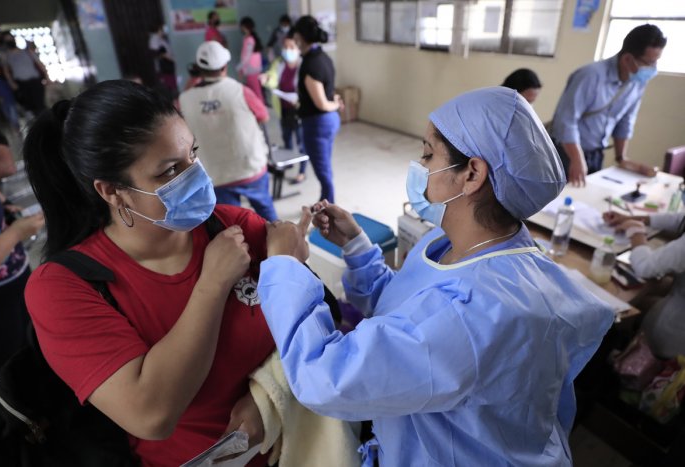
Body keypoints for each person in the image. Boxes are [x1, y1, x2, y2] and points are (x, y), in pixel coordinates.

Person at [256, 87, 615, 466]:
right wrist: (357, 247)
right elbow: (408, 316)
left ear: (472, 174)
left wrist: (285, 266)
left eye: (428, 154)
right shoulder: (473, 246)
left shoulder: (474, 314)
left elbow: (325, 376)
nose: (420, 165)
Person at [22, 80, 275, 466]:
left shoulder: (233, 227)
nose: (196, 177)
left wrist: (271, 397)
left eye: (193, 154)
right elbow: (152, 414)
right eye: (170, 170)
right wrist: (212, 285)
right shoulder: (63, 288)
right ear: (112, 191)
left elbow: (323, 325)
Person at [551, 24, 667, 187]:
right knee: (558, 204)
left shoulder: (637, 82)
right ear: (627, 58)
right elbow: (566, 121)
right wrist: (577, 159)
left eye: (656, 62)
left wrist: (622, 158)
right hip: (565, 152)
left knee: (587, 201)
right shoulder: (590, 76)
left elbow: (625, 121)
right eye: (649, 63)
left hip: (596, 154)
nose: (653, 69)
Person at [179, 42, 277, 222]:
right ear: (225, 66)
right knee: (266, 211)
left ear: (198, 69)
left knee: (232, 222)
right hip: (249, 167)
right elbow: (263, 116)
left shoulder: (184, 99)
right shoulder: (240, 91)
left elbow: (179, 124)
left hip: (214, 173)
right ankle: (279, 244)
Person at [0, 115, 45, 389]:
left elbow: (2, 166)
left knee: (34, 356)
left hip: (17, 286)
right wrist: (16, 232)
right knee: (11, 379)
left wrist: (6, 209)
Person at [603, 207, 685, 359]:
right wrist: (638, 218)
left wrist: (636, 231)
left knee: (625, 306)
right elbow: (681, 219)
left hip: (674, 336)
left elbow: (645, 267)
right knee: (648, 292)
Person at [292, 15, 341, 203]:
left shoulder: (311, 63)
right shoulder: (323, 56)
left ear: (299, 37)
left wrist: (335, 104)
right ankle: (324, 200)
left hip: (317, 123)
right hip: (328, 122)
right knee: (325, 167)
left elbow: (321, 103)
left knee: (323, 172)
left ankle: (329, 209)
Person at [261, 34, 306, 183]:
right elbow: (272, 77)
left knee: (301, 141)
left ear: (298, 48)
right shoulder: (279, 63)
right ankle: (289, 162)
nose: (288, 50)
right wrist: (267, 78)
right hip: (284, 108)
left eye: (291, 47)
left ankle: (302, 171)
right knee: (286, 138)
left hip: (299, 109)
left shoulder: (303, 65)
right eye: (285, 47)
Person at [0, 31, 49, 117]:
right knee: (29, 108)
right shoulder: (6, 56)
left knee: (40, 106)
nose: (10, 41)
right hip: (22, 84)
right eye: (7, 40)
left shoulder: (27, 52)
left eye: (11, 39)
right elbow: (6, 71)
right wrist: (12, 83)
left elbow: (40, 64)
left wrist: (47, 76)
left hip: (35, 81)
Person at [237, 17, 265, 103]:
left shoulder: (250, 39)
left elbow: (247, 57)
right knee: (253, 91)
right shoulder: (247, 38)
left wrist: (239, 67)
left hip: (252, 69)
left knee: (256, 92)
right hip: (250, 69)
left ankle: (261, 110)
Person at [148, 23, 178, 99]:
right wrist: (170, 58)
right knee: (168, 86)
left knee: (172, 84)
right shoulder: (154, 39)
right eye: (163, 28)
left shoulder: (161, 39)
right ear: (159, 29)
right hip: (164, 67)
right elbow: (158, 52)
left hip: (168, 66)